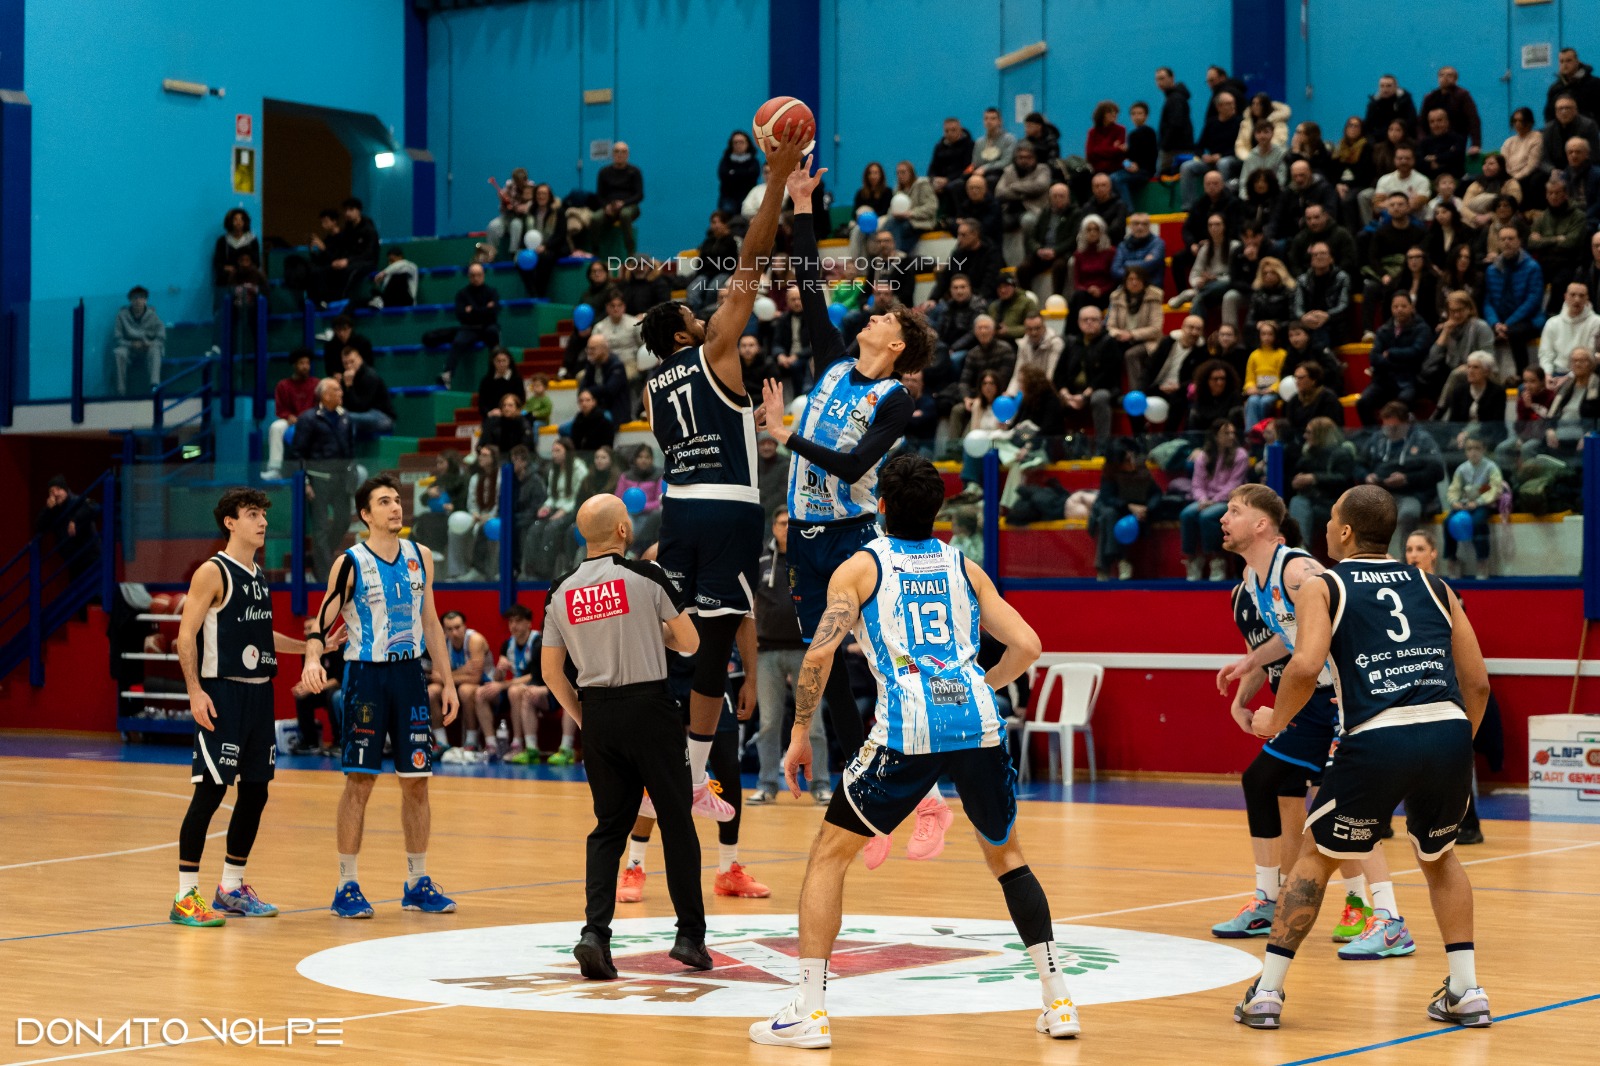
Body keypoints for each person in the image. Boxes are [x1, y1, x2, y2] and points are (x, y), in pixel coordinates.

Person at [748, 455, 1080, 1049]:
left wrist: (799, 738)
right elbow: (1028, 644)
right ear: (939, 512)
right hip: (977, 723)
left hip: (908, 730)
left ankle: (811, 1012)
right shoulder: (965, 566)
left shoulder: (858, 568)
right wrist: (979, 684)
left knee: (828, 857)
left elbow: (820, 655)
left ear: (878, 507)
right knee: (1008, 858)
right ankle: (1059, 1002)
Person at [1231, 484, 1493, 1032]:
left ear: (1345, 532)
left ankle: (1268, 993)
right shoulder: (1436, 585)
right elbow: (1479, 682)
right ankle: (1467, 991)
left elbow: (1303, 668)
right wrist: (1454, 740)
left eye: (1330, 518)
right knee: (1440, 856)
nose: (1324, 527)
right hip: (1445, 730)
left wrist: (1274, 722)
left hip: (1376, 734)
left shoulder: (1321, 585)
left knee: (1314, 855)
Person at [758, 153, 944, 868]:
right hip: (805, 536)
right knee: (824, 664)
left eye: (885, 315)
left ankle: (925, 793)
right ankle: (862, 793)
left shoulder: (894, 398)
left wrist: (786, 433)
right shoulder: (834, 360)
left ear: (894, 345)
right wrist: (803, 207)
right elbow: (808, 288)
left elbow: (854, 464)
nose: (871, 312)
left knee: (884, 662)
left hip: (853, 538)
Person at [635, 125, 808, 825]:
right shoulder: (715, 345)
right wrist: (777, 177)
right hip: (731, 508)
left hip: (678, 510)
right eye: (690, 309)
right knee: (716, 647)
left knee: (676, 640)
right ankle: (695, 774)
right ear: (684, 332)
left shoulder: (646, 390)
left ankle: (658, 770)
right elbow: (754, 256)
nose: (699, 306)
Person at [539, 493, 709, 980]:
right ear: (621, 532)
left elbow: (553, 673)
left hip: (598, 715)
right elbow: (692, 643)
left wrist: (585, 717)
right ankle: (690, 939)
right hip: (650, 710)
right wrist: (656, 633)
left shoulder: (560, 590)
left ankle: (595, 934)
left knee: (608, 828)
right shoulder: (647, 576)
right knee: (676, 821)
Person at [1210, 495, 1390, 945]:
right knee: (1261, 780)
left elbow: (1342, 622)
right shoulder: (1253, 578)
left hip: (1344, 700)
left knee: (1342, 806)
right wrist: (1250, 662)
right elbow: (1292, 636)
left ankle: (1380, 913)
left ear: (1262, 525)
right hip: (1314, 700)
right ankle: (1267, 901)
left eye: (1234, 510)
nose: (1223, 518)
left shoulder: (1299, 571)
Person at [300, 476, 459, 919]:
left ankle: (417, 881)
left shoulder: (419, 556)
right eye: (384, 502)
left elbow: (431, 622)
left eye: (396, 500)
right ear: (365, 515)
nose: (395, 508)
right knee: (360, 780)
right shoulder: (349, 562)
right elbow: (324, 616)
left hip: (410, 676)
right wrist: (312, 656)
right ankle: (346, 885)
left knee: (417, 782)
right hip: (366, 676)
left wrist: (446, 682)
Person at [168, 489, 312, 926]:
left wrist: (308, 647)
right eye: (253, 514)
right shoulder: (213, 572)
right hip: (222, 692)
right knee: (210, 791)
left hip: (258, 695)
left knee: (256, 791)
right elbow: (184, 636)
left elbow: (264, 639)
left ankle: (231, 887)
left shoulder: (257, 575)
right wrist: (195, 690)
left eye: (264, 515)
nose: (262, 522)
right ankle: (185, 896)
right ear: (230, 522)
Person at [475, 604, 558, 765]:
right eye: (510, 621)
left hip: (538, 688)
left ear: (529, 623)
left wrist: (503, 686)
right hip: (513, 686)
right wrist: (499, 670)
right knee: (480, 693)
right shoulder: (507, 645)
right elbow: (498, 679)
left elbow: (535, 676)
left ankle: (517, 743)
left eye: (518, 621)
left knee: (514, 691)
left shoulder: (538, 642)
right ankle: (491, 745)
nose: (513, 625)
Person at [291, 378, 356, 580]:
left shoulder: (345, 417)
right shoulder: (308, 418)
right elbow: (297, 453)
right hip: (318, 479)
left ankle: (321, 555)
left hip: (341, 478)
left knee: (344, 520)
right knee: (319, 527)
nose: (341, 393)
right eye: (337, 390)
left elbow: (351, 448)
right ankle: (325, 576)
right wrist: (305, 482)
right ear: (325, 395)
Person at [1363, 401, 1445, 557]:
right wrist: (1366, 475)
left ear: (1406, 423)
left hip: (1412, 493)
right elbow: (1359, 464)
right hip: (1381, 493)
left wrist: (1408, 478)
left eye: (1394, 428)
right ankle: (1369, 563)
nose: (1390, 431)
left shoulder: (1422, 439)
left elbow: (1437, 471)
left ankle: (1405, 562)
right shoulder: (1378, 438)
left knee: (1408, 513)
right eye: (1386, 427)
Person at [1182, 420, 1248, 580]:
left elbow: (1235, 484)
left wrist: (1215, 501)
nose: (1231, 436)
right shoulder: (1204, 456)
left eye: (1233, 433)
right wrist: (1203, 499)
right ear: (1215, 436)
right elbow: (1197, 483)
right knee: (1187, 514)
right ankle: (1192, 559)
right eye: (1226, 433)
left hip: (1229, 500)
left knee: (1207, 516)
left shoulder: (1240, 455)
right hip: (1205, 499)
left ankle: (1217, 559)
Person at [1358, 291, 1432, 423]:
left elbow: (1416, 353)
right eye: (1395, 306)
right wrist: (1400, 360)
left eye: (1403, 306)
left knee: (1402, 403)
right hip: (1383, 380)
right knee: (1363, 402)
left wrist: (1391, 353)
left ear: (1412, 307)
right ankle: (1373, 435)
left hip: (1408, 380)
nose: (1399, 310)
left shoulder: (1422, 329)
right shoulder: (1383, 329)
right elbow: (1374, 358)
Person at [1053, 305, 1121, 446]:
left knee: (1099, 398)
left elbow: (1106, 375)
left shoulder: (1109, 342)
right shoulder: (1071, 343)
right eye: (1085, 319)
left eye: (1094, 319)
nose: (1089, 322)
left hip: (1101, 389)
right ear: (1078, 323)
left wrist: (1085, 396)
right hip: (1073, 392)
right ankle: (1056, 447)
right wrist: (1065, 394)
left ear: (1101, 322)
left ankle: (1103, 445)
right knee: (1050, 399)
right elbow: (1059, 374)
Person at [1093, 438, 1159, 580]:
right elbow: (1107, 497)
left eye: (1131, 457)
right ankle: (1121, 560)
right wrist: (1128, 506)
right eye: (1126, 461)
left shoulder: (1141, 467)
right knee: (1108, 515)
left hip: (1139, 511)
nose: (1131, 462)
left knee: (1108, 517)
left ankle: (1105, 565)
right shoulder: (1110, 471)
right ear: (1117, 464)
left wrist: (1147, 509)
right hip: (1114, 507)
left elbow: (1156, 493)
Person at [1484, 226, 1546, 373]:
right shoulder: (1492, 270)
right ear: (1498, 243)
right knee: (1480, 328)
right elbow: (1488, 301)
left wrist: (1508, 323)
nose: (1507, 242)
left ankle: (1522, 375)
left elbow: (1533, 300)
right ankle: (1490, 375)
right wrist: (1495, 323)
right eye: (1503, 239)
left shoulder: (1532, 267)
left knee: (1515, 332)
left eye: (1511, 238)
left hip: (1529, 319)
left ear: (1519, 242)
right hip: (1501, 320)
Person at [1288, 416, 1356, 545]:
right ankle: (1299, 545)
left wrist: (1314, 478)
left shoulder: (1342, 453)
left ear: (1320, 434)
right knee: (1297, 502)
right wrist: (1296, 482)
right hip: (1312, 499)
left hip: (1334, 502)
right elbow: (1296, 473)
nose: (1304, 436)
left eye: (1309, 432)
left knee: (1299, 504)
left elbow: (1344, 479)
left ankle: (1299, 547)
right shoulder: (1309, 453)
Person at [429, 611, 488, 753]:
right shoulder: (441, 642)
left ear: (465, 626)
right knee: (431, 691)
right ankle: (441, 742)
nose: (454, 633)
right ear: (444, 630)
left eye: (457, 627)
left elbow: (475, 678)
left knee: (465, 690)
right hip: (453, 685)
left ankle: (472, 740)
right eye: (449, 629)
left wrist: (447, 676)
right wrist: (463, 670)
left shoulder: (475, 640)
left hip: (485, 687)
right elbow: (435, 676)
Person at [1445, 436, 1502, 579]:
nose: (1473, 452)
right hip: (1464, 505)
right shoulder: (1462, 469)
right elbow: (1454, 489)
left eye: (1477, 448)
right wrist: (1454, 502)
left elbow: (1495, 488)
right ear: (1465, 452)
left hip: (1483, 504)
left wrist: (1478, 502)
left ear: (1483, 450)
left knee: (1478, 522)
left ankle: (1482, 560)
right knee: (1447, 522)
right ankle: (1452, 559)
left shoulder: (1491, 467)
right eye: (1469, 449)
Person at [445, 263, 500, 388]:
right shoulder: (462, 294)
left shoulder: (492, 292)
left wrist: (473, 310)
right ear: (469, 276)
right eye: (473, 275)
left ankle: (496, 372)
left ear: (484, 275)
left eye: (479, 275)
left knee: (493, 334)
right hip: (469, 328)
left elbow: (493, 313)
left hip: (488, 326)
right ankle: (447, 374)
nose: (476, 278)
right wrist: (484, 309)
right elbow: (461, 315)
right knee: (458, 342)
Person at [592, 141, 644, 255]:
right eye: (616, 151)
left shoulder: (635, 172)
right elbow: (599, 195)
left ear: (628, 154)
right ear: (612, 154)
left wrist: (624, 203)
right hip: (609, 207)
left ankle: (631, 253)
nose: (620, 154)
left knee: (624, 215)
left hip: (630, 206)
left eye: (623, 151)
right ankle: (595, 252)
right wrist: (606, 207)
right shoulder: (604, 172)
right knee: (595, 218)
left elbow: (639, 195)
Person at [113, 285, 166, 395]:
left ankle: (154, 385)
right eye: (135, 298)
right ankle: (120, 390)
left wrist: (150, 343)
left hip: (147, 347)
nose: (138, 301)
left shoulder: (152, 316)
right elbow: (118, 338)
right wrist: (131, 344)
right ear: (130, 300)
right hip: (130, 349)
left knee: (156, 350)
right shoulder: (122, 316)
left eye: (141, 298)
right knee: (119, 352)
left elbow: (161, 335)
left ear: (146, 300)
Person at [339, 347, 395, 439]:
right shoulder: (345, 378)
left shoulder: (370, 376)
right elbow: (345, 404)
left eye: (352, 361)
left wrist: (350, 386)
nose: (349, 366)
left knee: (347, 418)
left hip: (383, 417)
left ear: (360, 359)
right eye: (345, 363)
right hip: (362, 415)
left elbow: (361, 407)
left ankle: (348, 452)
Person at [1242, 320, 1287, 427]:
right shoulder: (1254, 355)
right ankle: (1251, 433)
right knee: (1252, 401)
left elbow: (1282, 377)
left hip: (1273, 391)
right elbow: (1250, 378)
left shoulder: (1281, 354)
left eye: (1270, 334)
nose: (1267, 337)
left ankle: (1263, 430)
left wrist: (1273, 388)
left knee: (1265, 402)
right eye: (1263, 334)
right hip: (1258, 389)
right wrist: (1250, 387)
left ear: (1275, 336)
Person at [1155, 66, 1195, 171]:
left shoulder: (1176, 98)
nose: (1159, 82)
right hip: (1174, 147)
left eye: (1162, 78)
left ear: (1172, 78)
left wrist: (1164, 145)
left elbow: (1176, 124)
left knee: (1163, 179)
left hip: (1175, 149)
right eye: (1157, 79)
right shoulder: (1173, 97)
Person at [717, 131, 761, 216]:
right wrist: (745, 174)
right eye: (735, 142)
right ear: (731, 144)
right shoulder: (725, 161)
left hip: (749, 198)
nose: (738, 145)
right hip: (728, 198)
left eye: (741, 142)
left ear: (748, 143)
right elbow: (723, 175)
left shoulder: (753, 161)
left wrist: (733, 173)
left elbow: (753, 175)